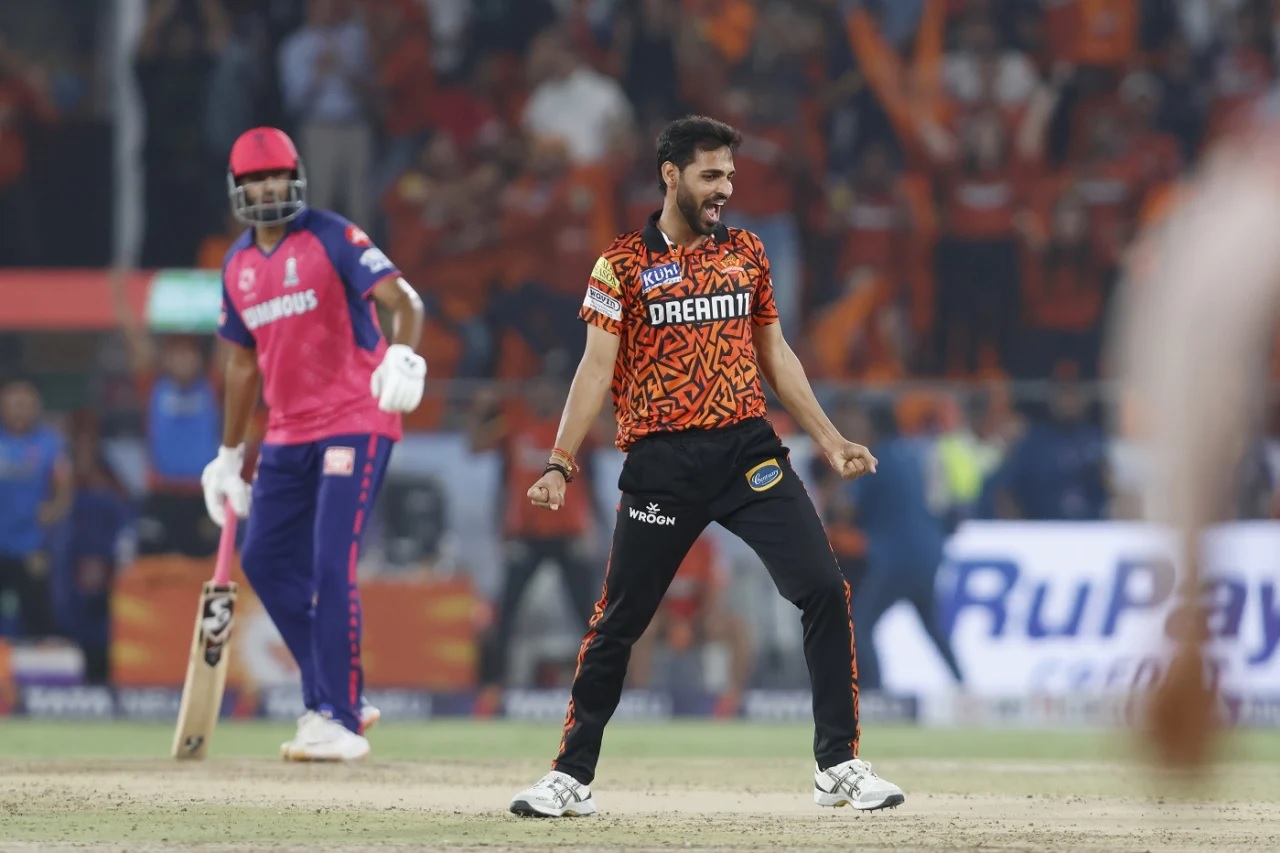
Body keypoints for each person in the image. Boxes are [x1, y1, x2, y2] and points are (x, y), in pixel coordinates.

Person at [508, 115, 905, 817]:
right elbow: (594, 369)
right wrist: (560, 464)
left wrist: (831, 439)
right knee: (619, 619)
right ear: (671, 175)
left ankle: (837, 763)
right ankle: (570, 776)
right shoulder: (620, 265)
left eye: (730, 176)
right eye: (710, 175)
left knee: (822, 588)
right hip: (661, 464)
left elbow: (775, 354)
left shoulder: (747, 252)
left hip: (747, 453)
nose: (724, 188)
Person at [201, 126, 426, 762]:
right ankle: (337, 696)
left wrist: (403, 354)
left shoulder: (332, 235)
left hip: (356, 416)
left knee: (330, 564)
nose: (269, 186)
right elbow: (241, 363)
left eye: (277, 173)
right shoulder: (237, 266)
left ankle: (336, 714)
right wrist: (228, 456)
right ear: (238, 188)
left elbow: (405, 302)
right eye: (256, 179)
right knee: (266, 562)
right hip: (286, 432)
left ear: (295, 175)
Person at [0, 379, 72, 640]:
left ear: (36, 407)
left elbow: (64, 488)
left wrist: (53, 511)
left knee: (38, 620)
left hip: (32, 547)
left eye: (25, 404)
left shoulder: (51, 443)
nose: (19, 410)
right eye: (14, 404)